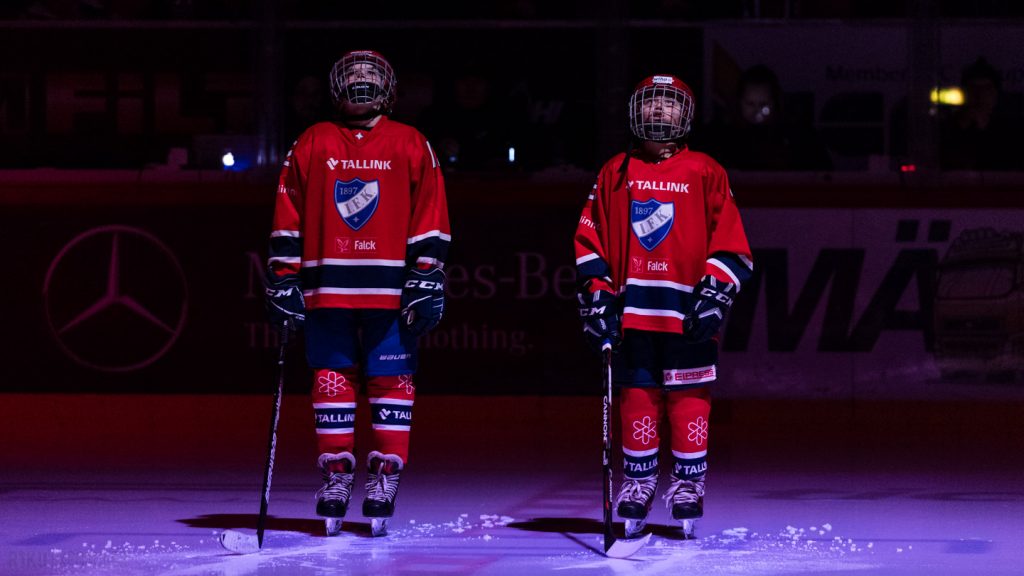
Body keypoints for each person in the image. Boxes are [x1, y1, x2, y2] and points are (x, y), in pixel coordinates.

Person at [264, 49, 450, 537]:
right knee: (331, 379)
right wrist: (284, 275)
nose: (362, 81)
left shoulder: (411, 142)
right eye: (354, 74)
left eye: (372, 74)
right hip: (326, 288)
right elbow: (289, 211)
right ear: (336, 87)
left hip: (390, 292)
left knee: (392, 381)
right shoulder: (313, 140)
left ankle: (385, 476)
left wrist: (426, 274)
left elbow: (429, 211)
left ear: (388, 88)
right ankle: (336, 475)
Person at [574, 74, 753, 538]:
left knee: (689, 399)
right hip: (633, 311)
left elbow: (732, 243)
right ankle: (638, 483)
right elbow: (589, 238)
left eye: (669, 105)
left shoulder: (705, 171)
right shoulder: (615, 170)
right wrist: (598, 293)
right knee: (636, 397)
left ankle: (689, 485)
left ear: (685, 115)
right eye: (651, 103)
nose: (659, 112)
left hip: (687, 312)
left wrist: (714, 294)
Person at [702, 64, 832, 171]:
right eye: (750, 104)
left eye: (763, 104)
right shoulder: (720, 135)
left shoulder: (798, 135)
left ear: (776, 103)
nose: (756, 111)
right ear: (740, 102)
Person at [940, 57, 1021, 171]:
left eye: (986, 88)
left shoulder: (1011, 131)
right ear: (964, 93)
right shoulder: (945, 129)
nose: (979, 94)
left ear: (995, 94)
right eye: (973, 88)